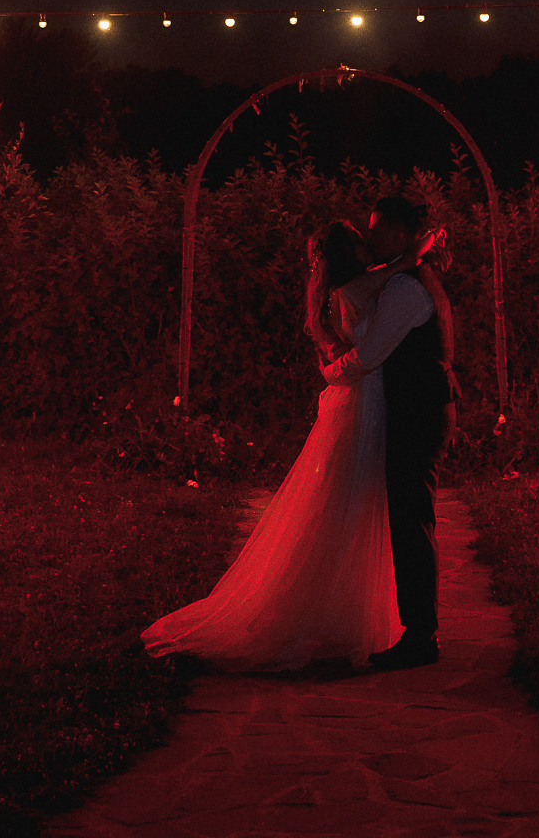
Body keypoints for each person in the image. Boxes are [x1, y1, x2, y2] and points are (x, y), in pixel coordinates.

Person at [141, 220, 405, 670]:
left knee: (343, 502)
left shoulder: (339, 293)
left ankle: (340, 611)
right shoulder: (356, 291)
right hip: (364, 398)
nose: (368, 248)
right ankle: (334, 614)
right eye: (359, 242)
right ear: (349, 254)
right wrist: (417, 250)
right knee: (349, 502)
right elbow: (392, 273)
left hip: (356, 397)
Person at [321, 194, 456, 670]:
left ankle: (422, 635)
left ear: (399, 235)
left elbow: (373, 353)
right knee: (408, 516)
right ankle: (417, 629)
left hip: (418, 412)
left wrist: (333, 371)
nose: (370, 237)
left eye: (377, 230)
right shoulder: (402, 279)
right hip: (415, 408)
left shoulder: (403, 289)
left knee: (411, 519)